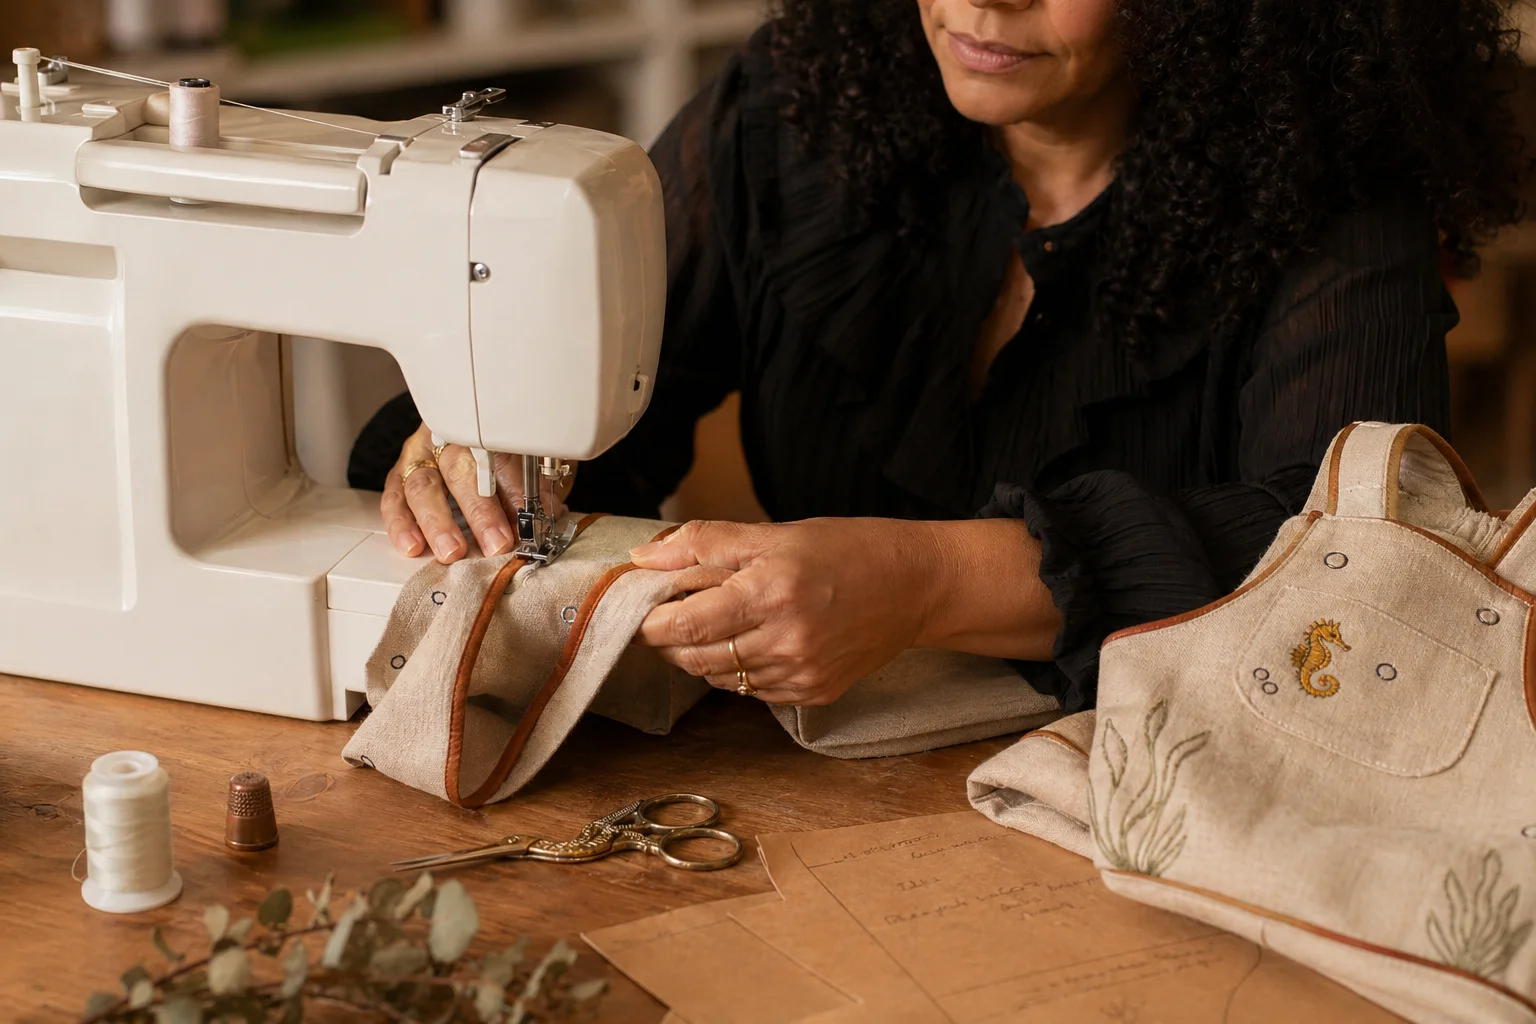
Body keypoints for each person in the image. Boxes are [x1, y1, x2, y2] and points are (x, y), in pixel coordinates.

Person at [350, 0, 1526, 714]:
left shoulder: (1330, 201)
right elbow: (603, 411)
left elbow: (1360, 579)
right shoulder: (799, 106)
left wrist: (922, 583)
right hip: (822, 806)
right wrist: (480, 432)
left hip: (1160, 814)